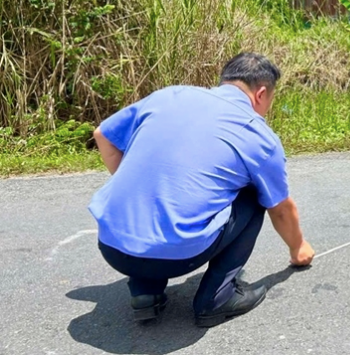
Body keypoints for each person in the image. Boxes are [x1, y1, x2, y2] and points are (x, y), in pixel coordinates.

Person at [88, 52, 314, 327]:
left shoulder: (168, 96)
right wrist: (298, 248)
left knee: (155, 189)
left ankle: (145, 290)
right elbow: (280, 209)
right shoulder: (256, 133)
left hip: (112, 247)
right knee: (257, 194)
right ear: (261, 94)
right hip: (177, 256)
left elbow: (103, 135)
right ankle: (216, 297)